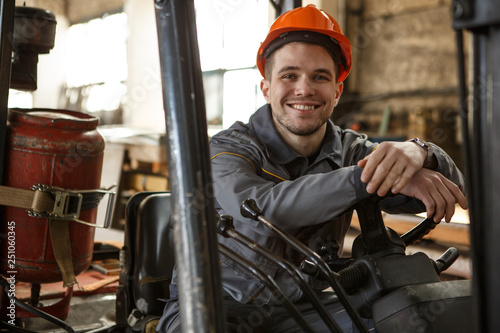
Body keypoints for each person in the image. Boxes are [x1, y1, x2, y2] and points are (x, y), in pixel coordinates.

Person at [157, 4, 467, 332]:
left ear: (336, 92)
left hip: (303, 306)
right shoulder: (228, 149)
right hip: (211, 306)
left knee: (406, 317)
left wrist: (420, 153)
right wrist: (366, 178)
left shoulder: (352, 150)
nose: (304, 88)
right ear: (266, 88)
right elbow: (267, 210)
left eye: (320, 77)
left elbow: (457, 190)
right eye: (289, 75)